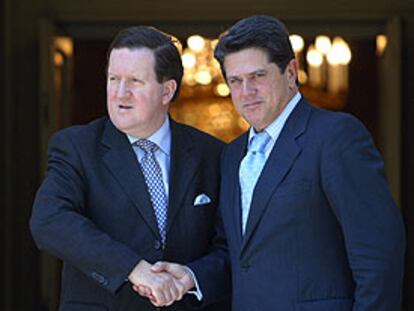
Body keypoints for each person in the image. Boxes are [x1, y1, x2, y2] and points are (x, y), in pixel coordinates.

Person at [150, 15, 406, 310]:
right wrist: (191, 277)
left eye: (258, 76)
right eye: (235, 81)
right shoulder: (232, 155)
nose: (246, 92)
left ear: (291, 72)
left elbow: (379, 256)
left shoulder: (336, 137)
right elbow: (237, 255)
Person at [30, 26, 230, 310]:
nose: (120, 93)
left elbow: (232, 247)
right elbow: (49, 221)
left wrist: (191, 277)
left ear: (167, 90)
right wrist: (134, 268)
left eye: (135, 81)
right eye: (114, 79)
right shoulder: (77, 146)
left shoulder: (213, 154)